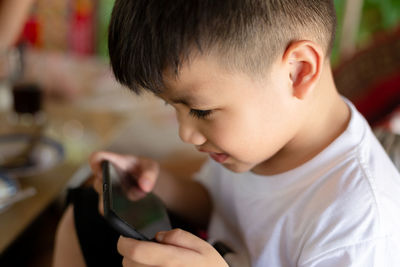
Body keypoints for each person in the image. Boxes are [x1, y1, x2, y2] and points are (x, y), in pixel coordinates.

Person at [53, 0, 400, 266]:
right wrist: (158, 185)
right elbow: (219, 204)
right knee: (84, 215)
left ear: (297, 72)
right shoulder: (257, 144)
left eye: (201, 111)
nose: (186, 134)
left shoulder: (359, 228)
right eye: (172, 108)